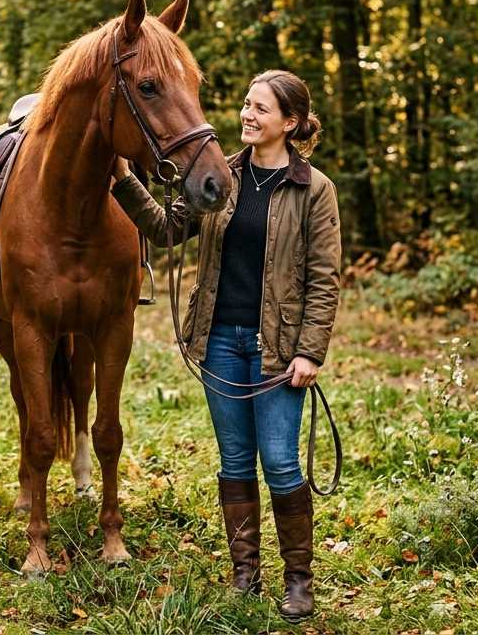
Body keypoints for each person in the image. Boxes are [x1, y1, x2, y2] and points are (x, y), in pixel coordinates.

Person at [110, 69, 342, 622]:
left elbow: (325, 277)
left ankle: (298, 581)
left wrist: (310, 351)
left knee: (282, 463)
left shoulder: (315, 189)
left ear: (288, 123)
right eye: (245, 104)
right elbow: (167, 229)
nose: (247, 115)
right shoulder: (220, 177)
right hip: (218, 340)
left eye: (260, 109)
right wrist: (122, 179)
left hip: (278, 349)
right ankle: (245, 575)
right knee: (234, 460)